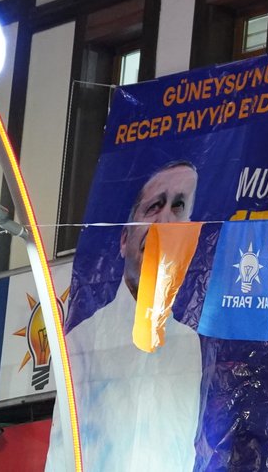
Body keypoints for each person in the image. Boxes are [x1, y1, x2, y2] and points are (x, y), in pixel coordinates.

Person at [53, 161, 203, 472]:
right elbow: (61, 448)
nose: (164, 221)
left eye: (178, 206)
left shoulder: (188, 344)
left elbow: (185, 447)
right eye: (155, 206)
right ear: (124, 239)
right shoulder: (83, 342)